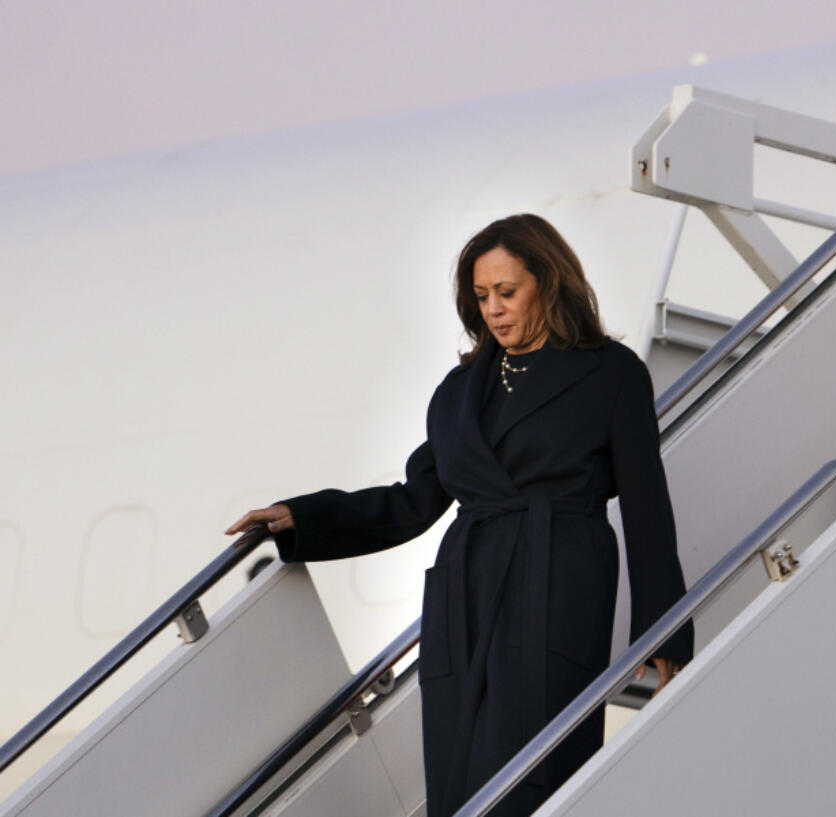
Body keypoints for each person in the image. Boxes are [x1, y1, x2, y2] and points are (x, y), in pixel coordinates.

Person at [226, 213, 693, 817]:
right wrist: (302, 517)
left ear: (548, 284)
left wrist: (664, 630)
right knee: (457, 782)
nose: (494, 309)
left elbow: (648, 506)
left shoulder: (611, 373)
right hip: (463, 594)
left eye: (507, 292)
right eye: (481, 296)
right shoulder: (459, 390)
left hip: (556, 582)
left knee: (533, 776)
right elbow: (412, 501)